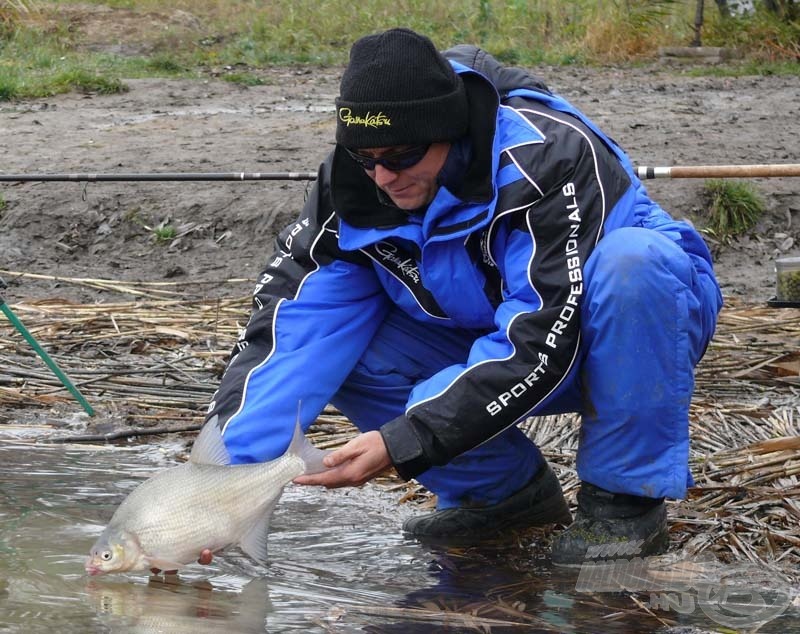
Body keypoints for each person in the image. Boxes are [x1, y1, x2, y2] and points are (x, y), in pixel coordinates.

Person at [202, 27, 723, 565]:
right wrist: (218, 479)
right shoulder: (353, 185)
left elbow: (544, 334)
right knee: (345, 348)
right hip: (482, 331)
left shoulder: (548, 157)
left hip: (620, 329)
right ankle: (503, 495)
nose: (384, 177)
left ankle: (623, 502)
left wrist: (408, 439)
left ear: (449, 130)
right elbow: (295, 328)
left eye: (402, 154)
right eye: (365, 156)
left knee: (634, 263)